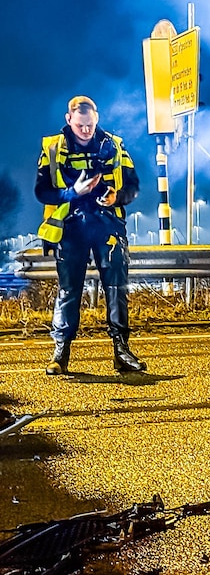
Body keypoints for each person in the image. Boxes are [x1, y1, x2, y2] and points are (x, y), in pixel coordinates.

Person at [35, 96, 146, 375]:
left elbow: (133, 186)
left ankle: (122, 351)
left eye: (90, 125)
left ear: (96, 119)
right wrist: (73, 193)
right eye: (80, 125)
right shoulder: (53, 148)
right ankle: (60, 353)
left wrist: (116, 198)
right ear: (69, 119)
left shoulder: (115, 145)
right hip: (70, 226)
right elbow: (42, 191)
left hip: (108, 225)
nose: (85, 130)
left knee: (117, 288)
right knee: (69, 290)